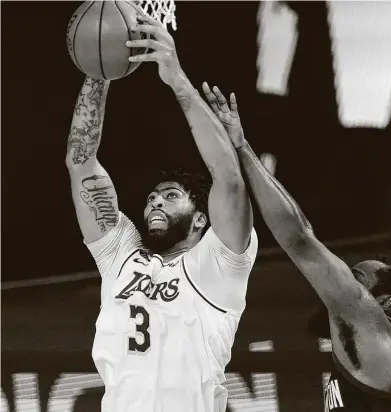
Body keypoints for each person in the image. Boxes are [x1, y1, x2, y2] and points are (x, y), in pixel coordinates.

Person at [65, 16, 257, 412]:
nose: (154, 202)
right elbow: (81, 162)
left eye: (170, 196)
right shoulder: (121, 257)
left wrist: (176, 78)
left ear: (202, 219)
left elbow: (230, 179)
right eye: (152, 197)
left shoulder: (219, 264)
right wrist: (100, 70)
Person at [202, 84, 391, 412]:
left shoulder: (371, 328)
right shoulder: (366, 357)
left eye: (357, 278)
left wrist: (242, 147)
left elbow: (300, 239)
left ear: (382, 302)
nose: (343, 280)